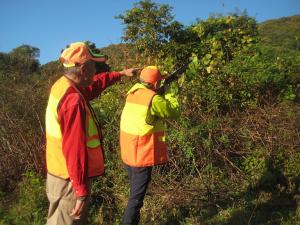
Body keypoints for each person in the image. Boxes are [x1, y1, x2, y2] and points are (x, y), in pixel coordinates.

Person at [45, 41, 138, 225]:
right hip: (69, 181)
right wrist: (80, 190)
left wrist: (120, 74)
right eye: (94, 66)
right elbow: (74, 149)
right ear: (84, 69)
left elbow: (94, 85)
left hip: (59, 173)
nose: (96, 71)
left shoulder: (64, 85)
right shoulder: (72, 101)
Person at [120, 66, 180, 225]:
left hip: (128, 153)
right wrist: (168, 92)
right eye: (159, 81)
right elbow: (173, 112)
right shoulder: (153, 99)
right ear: (155, 83)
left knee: (134, 195)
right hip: (141, 155)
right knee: (136, 200)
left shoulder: (132, 93)